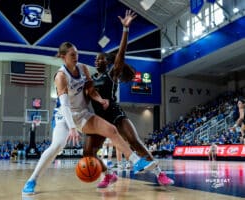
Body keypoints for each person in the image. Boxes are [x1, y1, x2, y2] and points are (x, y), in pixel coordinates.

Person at [22, 41, 153, 195]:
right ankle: (32, 180)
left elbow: (91, 90)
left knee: (111, 130)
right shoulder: (61, 76)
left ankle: (136, 162)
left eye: (77, 53)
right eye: (72, 55)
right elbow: (64, 105)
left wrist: (100, 100)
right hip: (64, 117)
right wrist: (72, 127)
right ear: (64, 57)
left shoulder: (83, 68)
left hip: (82, 114)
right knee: (57, 146)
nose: (76, 57)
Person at [83, 10, 174, 188]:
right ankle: (108, 175)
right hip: (99, 118)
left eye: (100, 59)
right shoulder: (90, 80)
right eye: (95, 59)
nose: (97, 61)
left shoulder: (112, 73)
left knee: (134, 141)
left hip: (114, 113)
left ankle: (159, 174)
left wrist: (125, 30)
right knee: (88, 152)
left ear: (107, 62)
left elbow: (121, 54)